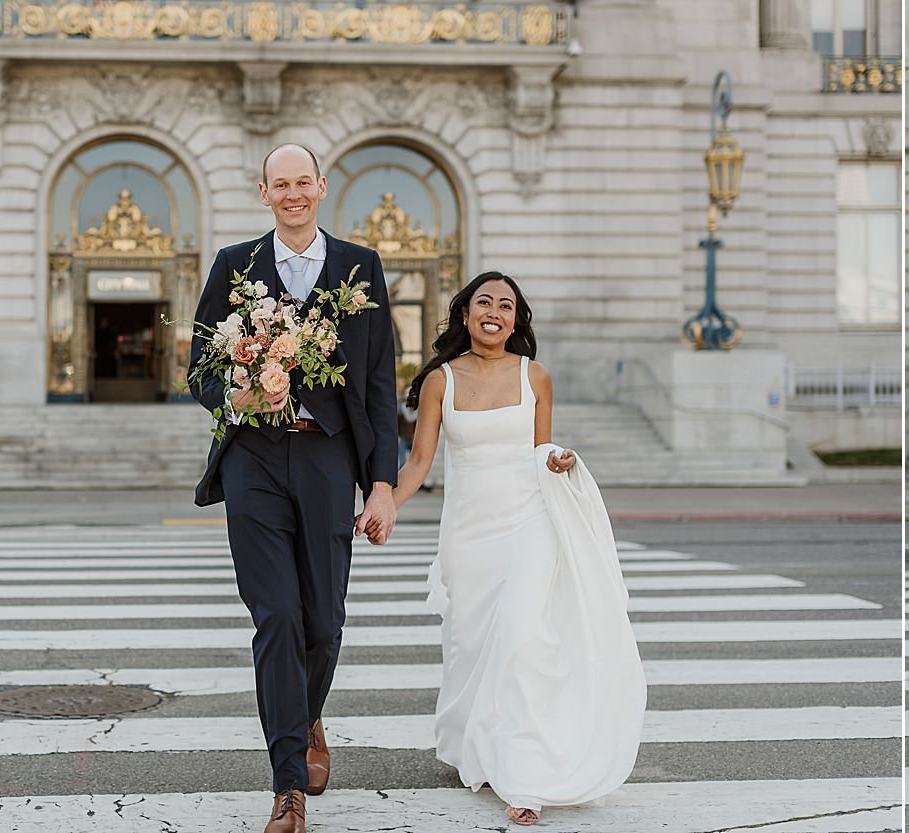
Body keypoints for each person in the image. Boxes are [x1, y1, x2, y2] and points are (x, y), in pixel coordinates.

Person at [186, 143, 400, 833]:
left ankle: (306, 713)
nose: (292, 193)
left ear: (321, 187)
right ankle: (288, 787)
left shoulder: (360, 267)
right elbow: (198, 366)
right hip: (253, 455)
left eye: (302, 182)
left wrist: (384, 483)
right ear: (263, 192)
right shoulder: (233, 266)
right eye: (280, 184)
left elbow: (377, 382)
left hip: (327, 459)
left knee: (324, 622)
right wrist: (236, 386)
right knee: (276, 614)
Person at [387, 271, 646, 825]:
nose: (495, 312)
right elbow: (418, 464)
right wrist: (382, 504)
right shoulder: (440, 381)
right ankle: (473, 746)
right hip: (469, 532)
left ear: (516, 320)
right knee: (472, 646)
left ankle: (524, 775)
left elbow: (541, 447)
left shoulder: (536, 377)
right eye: (485, 301)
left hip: (530, 520)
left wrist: (559, 460)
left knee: (523, 640)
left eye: (507, 305)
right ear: (465, 314)